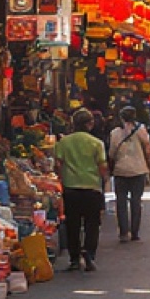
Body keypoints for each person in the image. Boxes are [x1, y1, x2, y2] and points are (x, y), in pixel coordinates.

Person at [55, 108, 108, 273]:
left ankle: (74, 259)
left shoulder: (63, 142)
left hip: (71, 189)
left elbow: (58, 165)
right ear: (90, 124)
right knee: (92, 223)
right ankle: (89, 253)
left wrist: (62, 178)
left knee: (73, 225)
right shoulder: (96, 143)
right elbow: (102, 167)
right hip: (92, 188)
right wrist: (103, 182)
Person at [108, 106, 150, 243]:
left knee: (121, 202)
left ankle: (123, 232)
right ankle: (135, 232)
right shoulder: (141, 130)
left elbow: (111, 153)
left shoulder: (115, 133)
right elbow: (148, 150)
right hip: (138, 170)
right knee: (136, 201)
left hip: (120, 170)